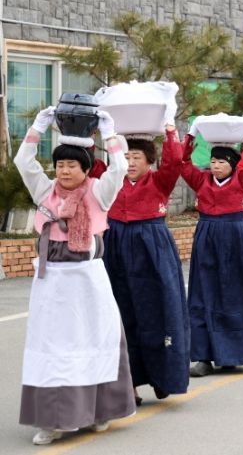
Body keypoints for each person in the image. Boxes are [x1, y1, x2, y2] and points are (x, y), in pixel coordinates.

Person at [15, 108, 136, 445]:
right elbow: (23, 162)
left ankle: (100, 410)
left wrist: (110, 132)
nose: (64, 171)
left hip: (87, 279)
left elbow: (119, 168)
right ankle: (52, 421)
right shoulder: (45, 191)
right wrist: (38, 127)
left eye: (71, 165)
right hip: (51, 281)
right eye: (60, 165)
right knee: (52, 347)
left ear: (86, 169)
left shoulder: (99, 192)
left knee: (94, 342)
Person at [181, 119, 243, 377]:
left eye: (221, 162)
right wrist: (190, 136)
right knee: (204, 294)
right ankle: (203, 356)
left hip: (237, 240)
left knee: (238, 293)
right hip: (206, 239)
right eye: (213, 161)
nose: (215, 166)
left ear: (232, 165)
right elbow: (181, 163)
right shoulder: (201, 181)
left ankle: (234, 353)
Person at [103, 104, 190, 405]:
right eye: (125, 157)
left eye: (136, 157)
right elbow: (89, 163)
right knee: (121, 314)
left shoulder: (159, 181)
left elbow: (175, 160)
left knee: (158, 311)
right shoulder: (111, 181)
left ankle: (162, 377)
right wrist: (101, 130)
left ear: (150, 161)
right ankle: (129, 384)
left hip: (152, 247)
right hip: (115, 246)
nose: (129, 163)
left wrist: (170, 129)